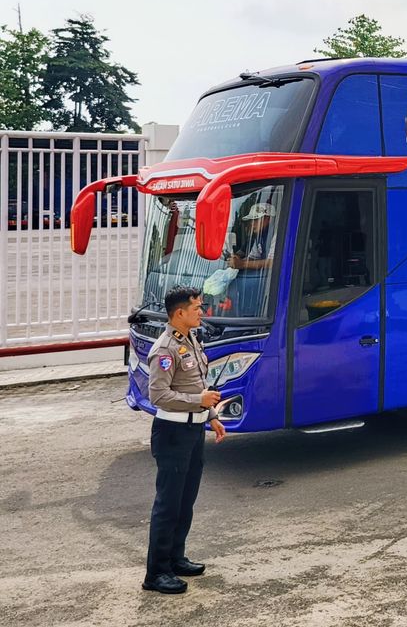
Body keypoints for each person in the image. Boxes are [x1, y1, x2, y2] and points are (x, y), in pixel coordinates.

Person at [144, 285, 225, 595]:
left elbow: (198, 383)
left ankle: (175, 558)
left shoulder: (190, 339)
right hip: (173, 433)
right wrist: (199, 401)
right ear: (179, 313)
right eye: (196, 308)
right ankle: (156, 572)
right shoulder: (164, 350)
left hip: (193, 431)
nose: (201, 312)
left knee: (185, 501)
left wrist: (212, 416)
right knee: (168, 504)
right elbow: (159, 395)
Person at [228, 202, 275, 271]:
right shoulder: (260, 235)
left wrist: (242, 264)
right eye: (251, 220)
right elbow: (253, 257)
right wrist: (237, 261)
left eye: (255, 220)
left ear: (267, 219)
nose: (252, 224)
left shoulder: (277, 234)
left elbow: (272, 262)